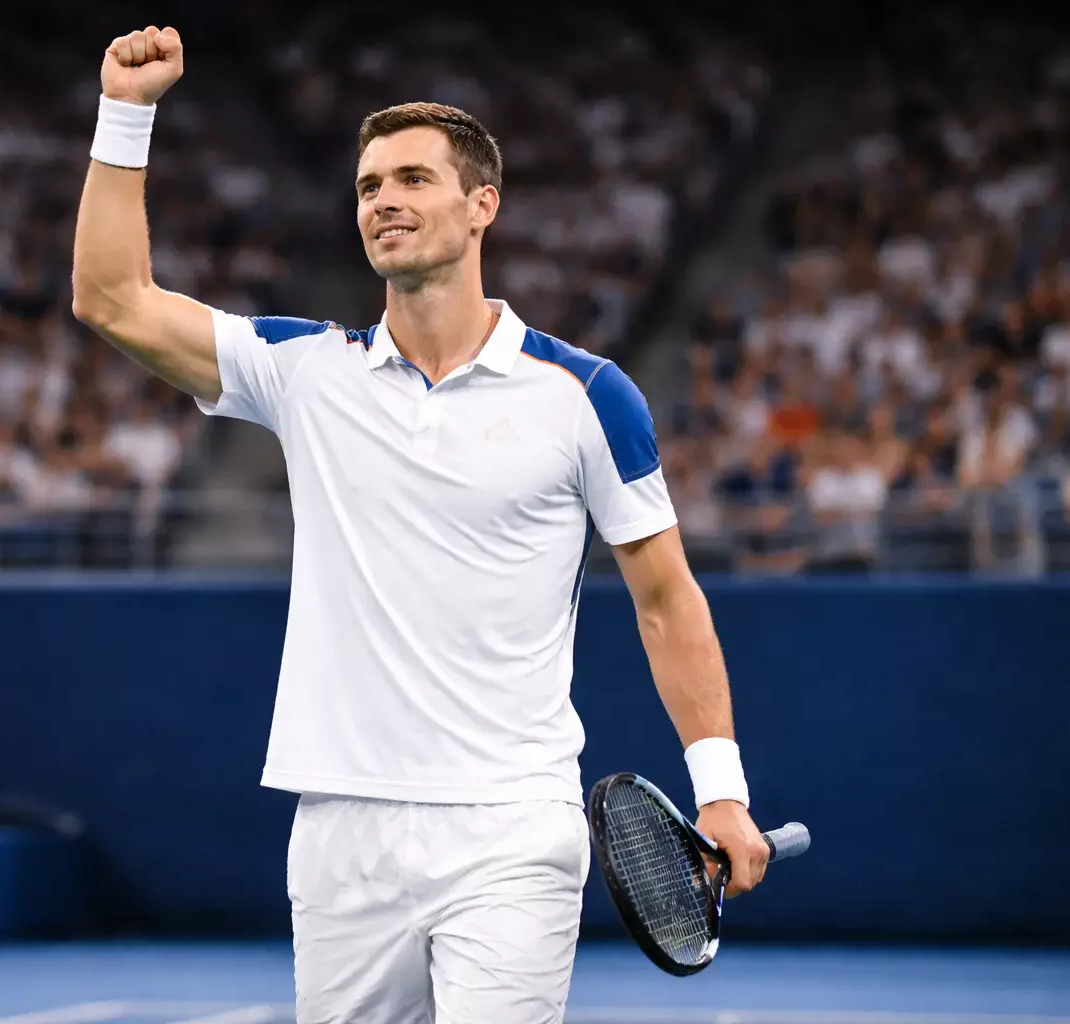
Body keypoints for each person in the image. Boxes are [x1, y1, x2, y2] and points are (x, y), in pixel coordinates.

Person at [72, 27, 771, 1024]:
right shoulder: (305, 370)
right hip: (341, 828)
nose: (383, 199)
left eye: (411, 178)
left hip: (512, 824)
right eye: (366, 186)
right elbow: (110, 299)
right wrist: (126, 111)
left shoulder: (587, 396)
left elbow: (666, 600)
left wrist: (723, 789)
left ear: (482, 204)